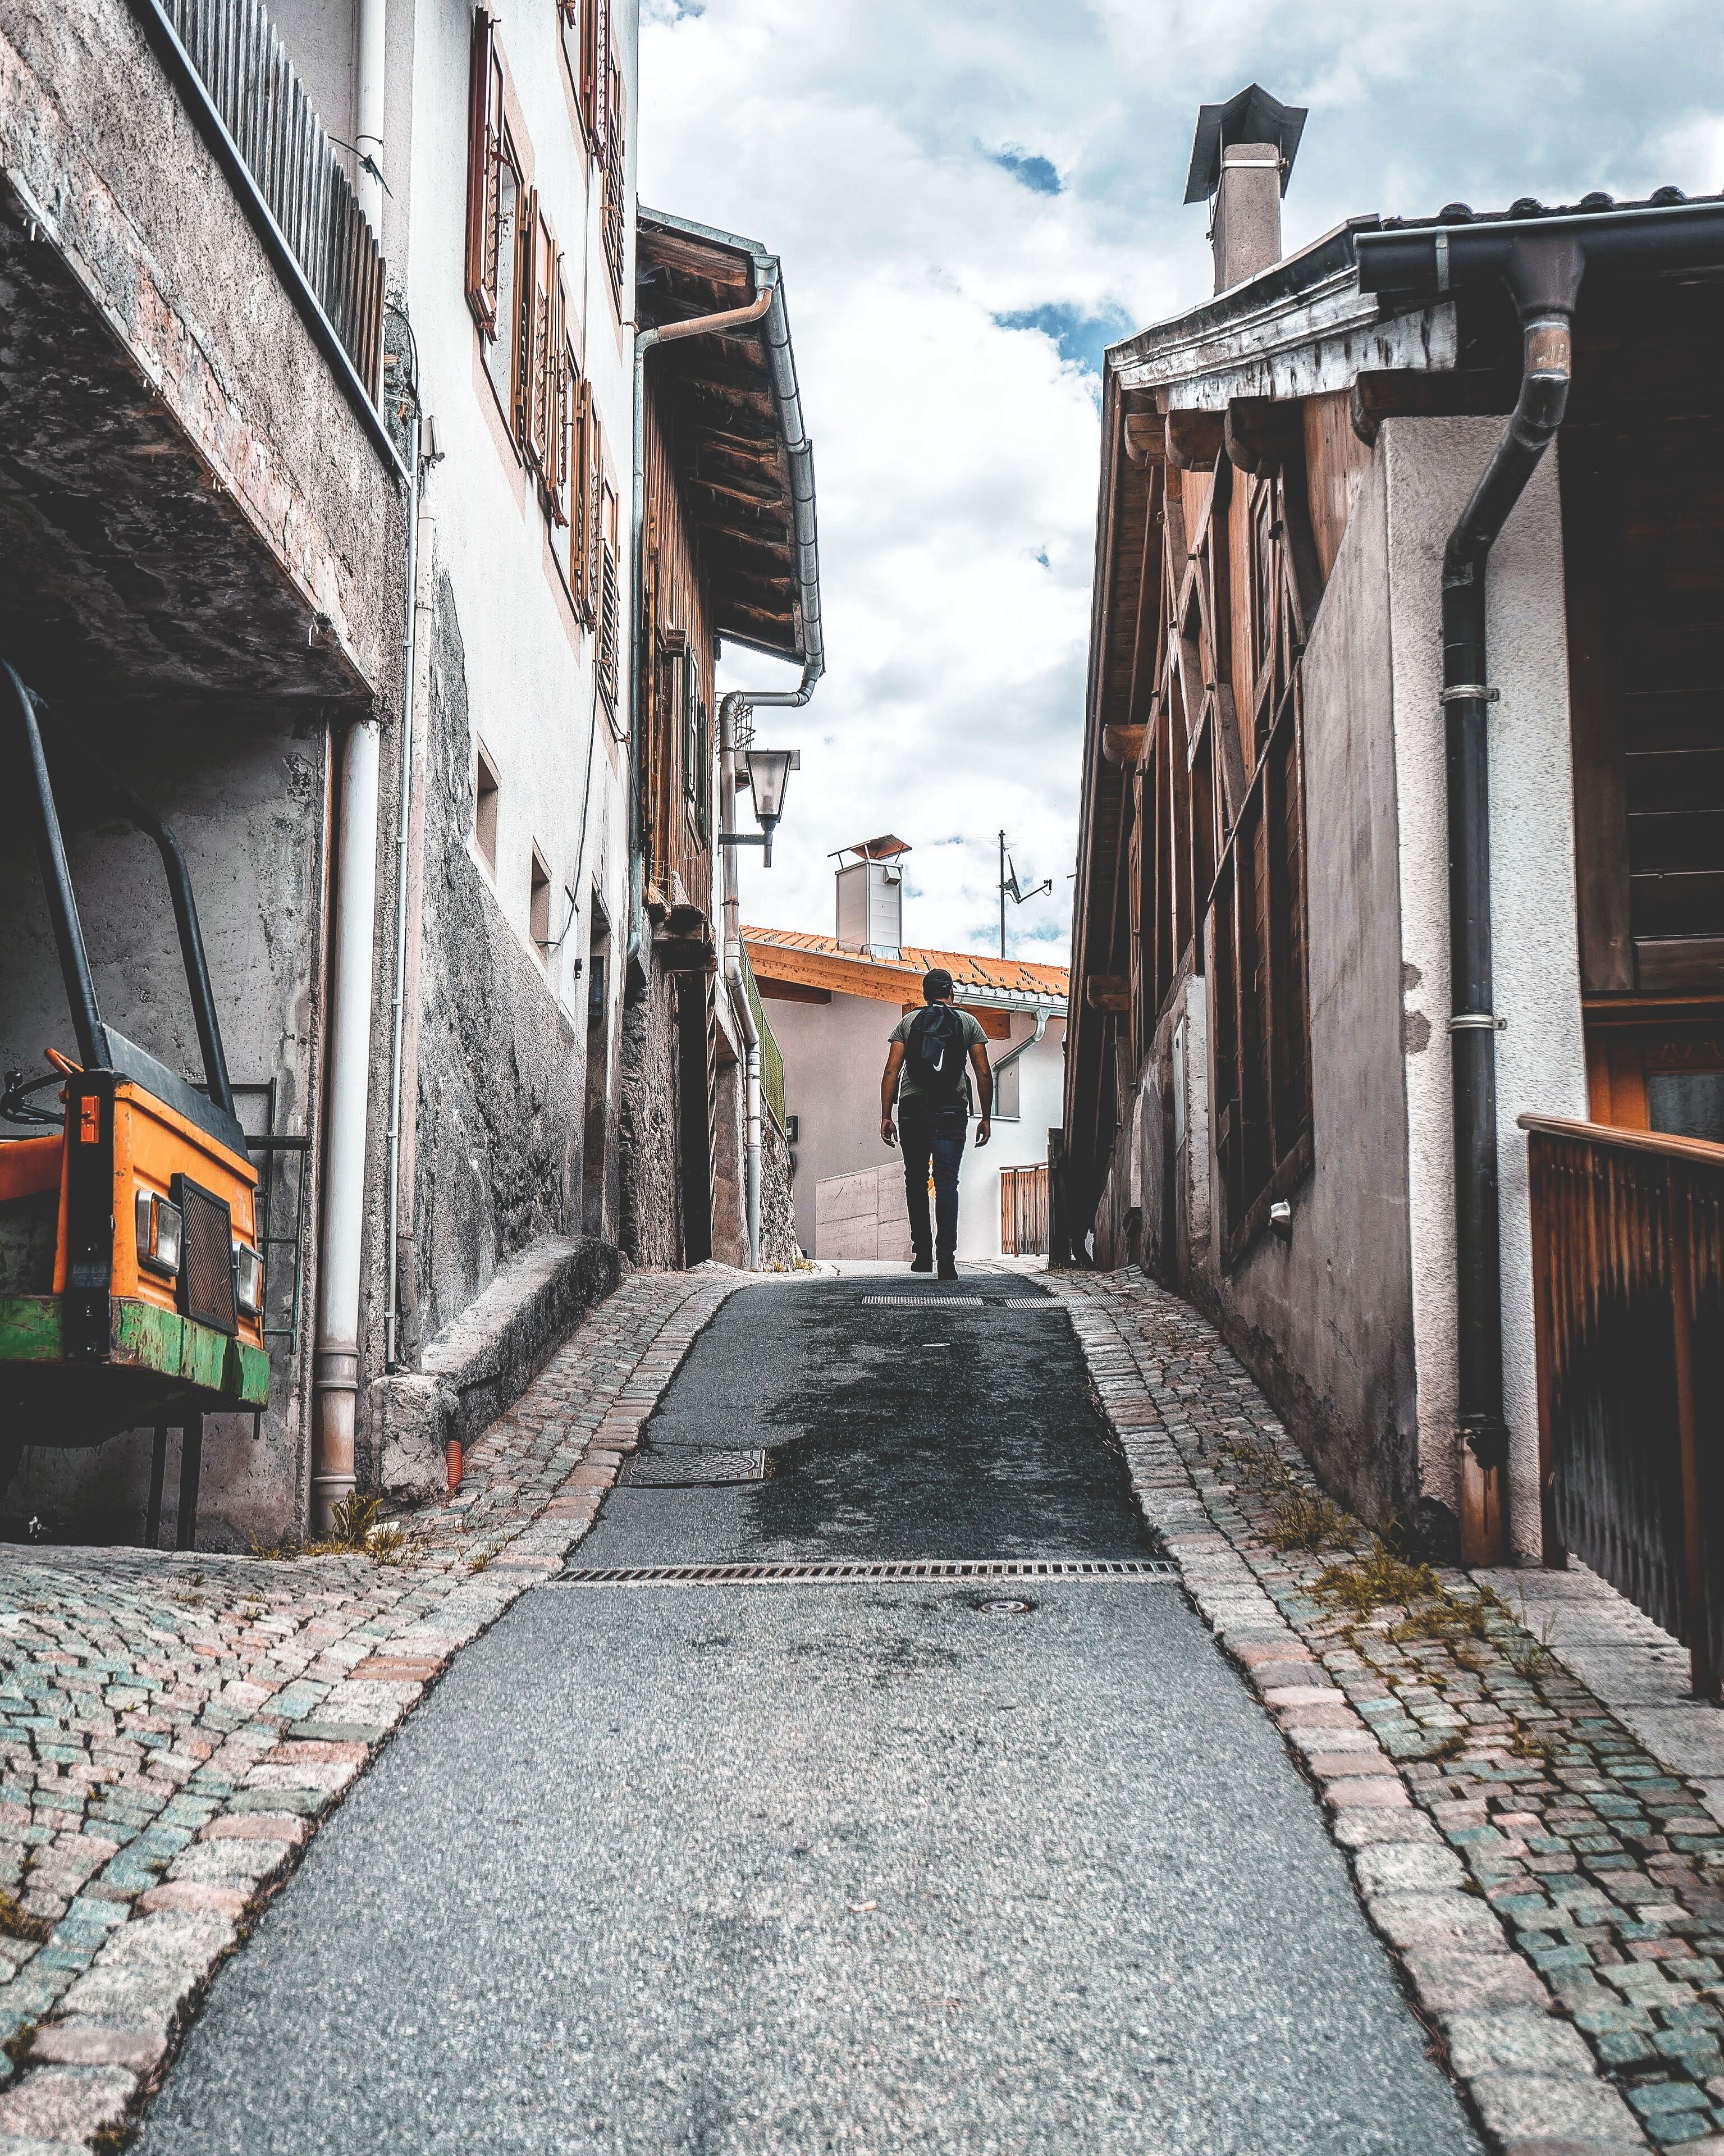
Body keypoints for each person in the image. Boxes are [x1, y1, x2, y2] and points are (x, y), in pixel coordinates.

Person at [880, 967, 992, 1278]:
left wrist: (886, 1115)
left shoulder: (909, 1022)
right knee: (946, 1182)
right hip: (951, 1107)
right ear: (951, 994)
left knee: (915, 1180)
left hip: (913, 1108)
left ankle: (923, 1255)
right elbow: (983, 1072)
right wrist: (984, 1116)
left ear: (925, 994)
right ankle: (947, 1260)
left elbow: (891, 1071)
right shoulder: (967, 1022)